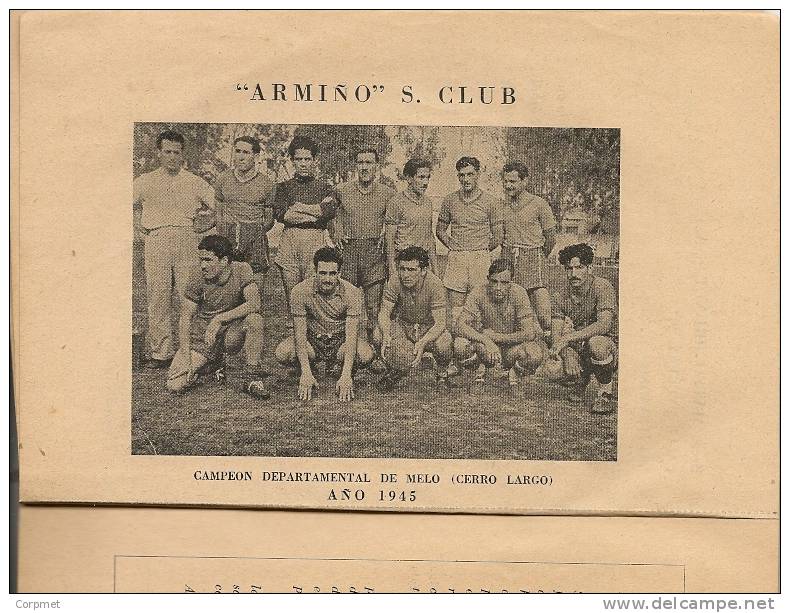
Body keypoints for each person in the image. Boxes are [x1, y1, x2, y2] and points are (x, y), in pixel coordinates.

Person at [133, 130, 214, 368]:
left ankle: (193, 350)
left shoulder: (194, 181)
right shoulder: (145, 181)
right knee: (158, 296)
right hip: (156, 238)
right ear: (159, 153)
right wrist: (137, 224)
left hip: (186, 238)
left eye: (176, 153)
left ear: (182, 155)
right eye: (167, 152)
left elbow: (217, 204)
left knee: (187, 296)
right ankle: (161, 353)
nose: (171, 157)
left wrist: (205, 225)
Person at [165, 235, 269, 398]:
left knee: (254, 320)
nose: (203, 265)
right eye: (201, 260)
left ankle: (252, 378)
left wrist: (219, 319)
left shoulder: (242, 269)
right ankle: (213, 365)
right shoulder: (196, 277)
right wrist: (186, 356)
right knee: (175, 385)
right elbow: (185, 317)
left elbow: (254, 303)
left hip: (229, 332)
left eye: (208, 260)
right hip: (204, 337)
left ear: (224, 260)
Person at [274, 247, 374, 402]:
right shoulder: (300, 291)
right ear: (315, 271)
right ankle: (308, 368)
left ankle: (341, 368)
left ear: (339, 274)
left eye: (332, 273)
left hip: (340, 341)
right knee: (283, 352)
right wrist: (305, 372)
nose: (327, 279)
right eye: (323, 273)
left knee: (365, 354)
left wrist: (346, 376)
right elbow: (299, 335)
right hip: (313, 340)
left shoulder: (352, 293)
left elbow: (351, 335)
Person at [333, 148, 395, 347]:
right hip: (349, 251)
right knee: (343, 304)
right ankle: (341, 352)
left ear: (377, 166)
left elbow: (395, 220)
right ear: (355, 165)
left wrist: (386, 233)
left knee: (373, 307)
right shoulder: (342, 190)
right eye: (361, 162)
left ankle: (374, 353)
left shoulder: (388, 193)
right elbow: (330, 213)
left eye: (369, 163)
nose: (365, 167)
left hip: (374, 251)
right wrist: (336, 230)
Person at [271, 135, 338, 313]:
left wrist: (300, 207)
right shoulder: (284, 187)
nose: (303, 163)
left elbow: (329, 211)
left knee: (313, 289)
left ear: (314, 160)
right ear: (292, 161)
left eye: (307, 159)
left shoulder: (324, 187)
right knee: (292, 292)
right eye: (298, 159)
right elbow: (283, 215)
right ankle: (295, 330)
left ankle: (313, 330)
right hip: (290, 240)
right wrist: (315, 213)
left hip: (315, 241)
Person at [549, 243, 618, 414]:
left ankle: (605, 394)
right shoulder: (560, 295)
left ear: (589, 267)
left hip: (609, 345)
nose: (574, 274)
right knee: (553, 367)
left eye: (579, 267)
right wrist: (566, 354)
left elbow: (604, 325)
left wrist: (567, 339)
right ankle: (581, 378)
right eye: (568, 268)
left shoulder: (602, 286)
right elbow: (556, 334)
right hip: (581, 345)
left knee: (597, 344)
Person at [454, 258, 544, 387]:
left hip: (511, 348)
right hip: (484, 348)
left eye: (504, 282)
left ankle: (513, 374)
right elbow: (460, 326)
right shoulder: (478, 292)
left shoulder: (519, 293)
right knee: (460, 345)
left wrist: (496, 337)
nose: (498, 287)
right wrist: (486, 340)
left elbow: (529, 333)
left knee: (534, 354)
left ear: (511, 282)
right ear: (488, 278)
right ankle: (479, 370)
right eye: (494, 281)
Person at [374, 246, 453, 391]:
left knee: (445, 341)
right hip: (405, 326)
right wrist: (386, 334)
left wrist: (423, 342)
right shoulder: (395, 280)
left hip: (428, 328)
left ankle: (442, 374)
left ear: (423, 270)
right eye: (402, 269)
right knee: (378, 335)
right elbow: (384, 312)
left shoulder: (435, 284)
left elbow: (440, 323)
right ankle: (394, 370)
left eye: (411, 270)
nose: (405, 274)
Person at [214, 135, 275, 300]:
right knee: (228, 286)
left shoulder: (266, 183)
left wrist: (254, 232)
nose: (240, 156)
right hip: (228, 236)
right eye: (238, 151)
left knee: (255, 287)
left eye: (246, 152)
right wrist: (224, 234)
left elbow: (269, 219)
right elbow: (218, 211)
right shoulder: (223, 179)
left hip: (255, 237)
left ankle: (252, 319)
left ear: (255, 156)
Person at [501, 161, 557, 337]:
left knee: (543, 315)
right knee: (510, 311)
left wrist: (537, 254)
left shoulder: (539, 204)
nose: (508, 186)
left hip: (533, 256)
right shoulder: (501, 205)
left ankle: (554, 346)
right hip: (509, 257)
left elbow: (551, 238)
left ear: (524, 181)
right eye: (506, 181)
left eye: (513, 181)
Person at [384, 158, 437, 277]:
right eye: (421, 177)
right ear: (409, 178)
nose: (425, 182)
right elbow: (389, 239)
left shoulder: (428, 202)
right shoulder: (396, 202)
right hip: (403, 264)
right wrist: (392, 270)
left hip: (422, 265)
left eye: (427, 177)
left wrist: (435, 270)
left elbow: (429, 237)